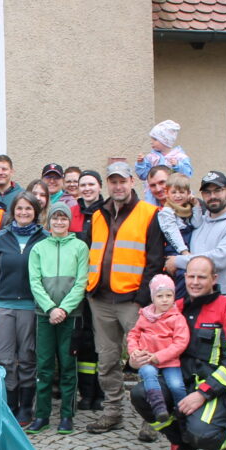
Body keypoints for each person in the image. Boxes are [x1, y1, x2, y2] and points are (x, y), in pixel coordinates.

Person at [129, 255, 226, 450]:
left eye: (202, 277)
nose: (195, 282)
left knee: (203, 434)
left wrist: (203, 393)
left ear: (214, 278)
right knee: (141, 394)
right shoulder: (174, 307)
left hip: (218, 386)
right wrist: (135, 356)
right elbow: (145, 336)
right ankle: (179, 441)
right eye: (191, 276)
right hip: (182, 378)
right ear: (184, 278)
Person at [84, 161, 164, 434]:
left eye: (122, 181)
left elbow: (155, 260)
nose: (117, 186)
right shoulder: (97, 214)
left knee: (143, 357)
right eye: (113, 181)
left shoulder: (149, 214)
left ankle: (151, 417)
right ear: (108, 184)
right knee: (106, 359)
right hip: (101, 299)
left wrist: (143, 298)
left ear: (132, 181)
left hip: (132, 301)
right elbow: (89, 253)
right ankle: (113, 410)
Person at [0, 191, 47, 423]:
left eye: (28, 209)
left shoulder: (44, 237)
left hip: (31, 306)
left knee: (28, 356)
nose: (23, 213)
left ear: (36, 212)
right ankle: (10, 402)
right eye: (19, 208)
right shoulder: (1, 237)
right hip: (3, 305)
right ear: (13, 212)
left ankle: (26, 406)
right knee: (4, 358)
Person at [27, 200, 89, 434]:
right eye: (55, 218)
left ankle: (66, 415)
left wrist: (64, 309)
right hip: (44, 315)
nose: (59, 222)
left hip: (71, 316)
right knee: (43, 366)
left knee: (67, 365)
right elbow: (34, 281)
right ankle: (41, 415)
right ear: (49, 221)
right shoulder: (39, 248)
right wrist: (51, 308)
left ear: (69, 222)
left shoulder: (79, 247)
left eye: (63, 218)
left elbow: (81, 281)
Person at [166, 171, 226, 299]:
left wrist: (178, 261)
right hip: (194, 297)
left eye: (217, 190)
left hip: (223, 297)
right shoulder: (199, 222)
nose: (212, 196)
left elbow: (220, 258)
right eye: (207, 192)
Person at [127, 274, 189, 422]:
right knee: (148, 373)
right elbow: (133, 335)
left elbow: (180, 343)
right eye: (160, 296)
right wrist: (134, 351)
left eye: (169, 295)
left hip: (169, 361)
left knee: (176, 385)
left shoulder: (177, 318)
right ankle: (158, 406)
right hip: (147, 358)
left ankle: (182, 411)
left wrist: (159, 356)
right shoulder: (145, 316)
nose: (165, 299)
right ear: (153, 297)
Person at [71, 170, 104, 409]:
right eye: (83, 184)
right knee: (83, 342)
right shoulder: (72, 213)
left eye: (91, 184)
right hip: (78, 287)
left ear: (100, 186)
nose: (87, 188)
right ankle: (86, 393)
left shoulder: (108, 211)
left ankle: (102, 393)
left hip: (102, 287)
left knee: (102, 342)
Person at [136, 119, 193, 204]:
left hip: (176, 193)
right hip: (154, 196)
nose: (151, 142)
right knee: (151, 210)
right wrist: (141, 164)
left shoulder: (180, 157)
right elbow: (143, 175)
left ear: (165, 141)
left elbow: (187, 174)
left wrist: (178, 166)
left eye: (155, 139)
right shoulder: (151, 158)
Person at [158, 173, 196, 297]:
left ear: (188, 193)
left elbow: (198, 223)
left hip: (189, 249)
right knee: (181, 276)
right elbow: (171, 233)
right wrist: (184, 252)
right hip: (176, 249)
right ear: (167, 193)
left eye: (182, 192)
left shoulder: (189, 208)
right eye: (174, 192)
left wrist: (196, 206)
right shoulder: (167, 212)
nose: (178, 196)